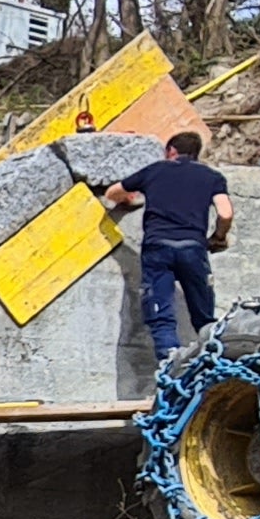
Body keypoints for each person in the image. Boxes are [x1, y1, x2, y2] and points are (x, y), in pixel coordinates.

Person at [101, 129, 233, 355]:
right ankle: (212, 362)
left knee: (160, 315)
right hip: (193, 247)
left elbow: (112, 192)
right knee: (204, 317)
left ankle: (168, 364)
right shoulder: (211, 177)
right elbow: (225, 213)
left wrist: (128, 200)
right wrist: (217, 237)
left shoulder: (156, 170)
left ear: (171, 151)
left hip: (157, 247)